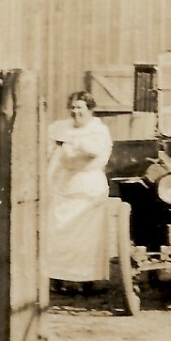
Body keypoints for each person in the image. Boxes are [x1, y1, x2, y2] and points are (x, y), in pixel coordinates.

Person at [47, 91, 113, 285]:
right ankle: (57, 277)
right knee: (60, 233)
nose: (76, 112)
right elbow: (49, 147)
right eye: (73, 107)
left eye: (80, 108)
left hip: (88, 187)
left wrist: (72, 142)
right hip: (64, 184)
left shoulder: (98, 130)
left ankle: (86, 280)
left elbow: (95, 151)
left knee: (86, 237)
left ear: (90, 109)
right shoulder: (61, 128)